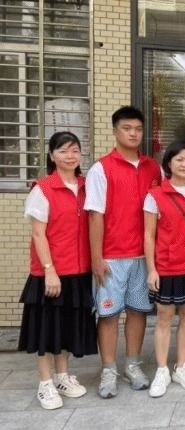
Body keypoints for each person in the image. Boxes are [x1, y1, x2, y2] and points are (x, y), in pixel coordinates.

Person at [85, 106, 162, 398]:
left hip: (143, 257)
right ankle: (108, 370)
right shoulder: (101, 168)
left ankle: (132, 364)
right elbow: (95, 216)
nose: (133, 134)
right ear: (115, 131)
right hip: (111, 257)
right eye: (127, 128)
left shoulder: (153, 168)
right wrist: (96, 258)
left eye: (138, 129)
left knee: (138, 311)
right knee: (108, 314)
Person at [18, 131, 97, 409]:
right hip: (50, 273)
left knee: (66, 327)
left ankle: (62, 377)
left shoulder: (87, 186)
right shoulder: (43, 188)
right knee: (46, 329)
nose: (70, 156)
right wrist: (49, 270)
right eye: (63, 151)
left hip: (79, 271)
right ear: (52, 156)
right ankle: (45, 383)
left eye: (75, 150)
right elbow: (38, 234)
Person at [143, 140, 185, 397]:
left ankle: (181, 366)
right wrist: (152, 269)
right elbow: (149, 235)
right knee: (164, 316)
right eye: (179, 159)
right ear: (169, 163)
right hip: (167, 265)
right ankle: (162, 369)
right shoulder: (155, 195)